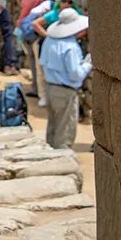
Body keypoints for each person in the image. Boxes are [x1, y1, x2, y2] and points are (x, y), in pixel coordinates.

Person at [39, 8, 92, 149]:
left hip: (50, 88)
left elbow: (42, 63)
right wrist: (87, 65)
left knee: (53, 126)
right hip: (65, 91)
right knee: (65, 131)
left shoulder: (48, 41)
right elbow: (76, 74)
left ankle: (49, 157)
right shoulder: (71, 47)